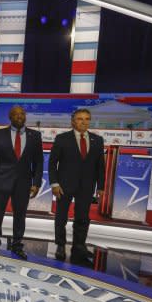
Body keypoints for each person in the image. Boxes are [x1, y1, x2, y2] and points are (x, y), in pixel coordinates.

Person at [0, 105, 44, 260]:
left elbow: (38, 162)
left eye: (22, 114)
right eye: (16, 114)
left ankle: (17, 246)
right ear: (10, 117)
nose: (20, 116)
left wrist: (36, 183)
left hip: (23, 183)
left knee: (20, 216)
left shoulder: (35, 136)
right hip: (1, 181)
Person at [49, 108, 105, 264]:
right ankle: (60, 245)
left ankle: (79, 246)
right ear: (73, 121)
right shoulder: (62, 139)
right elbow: (52, 163)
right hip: (64, 185)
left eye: (87, 119)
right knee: (61, 217)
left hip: (86, 186)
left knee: (83, 218)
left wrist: (100, 186)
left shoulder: (97, 140)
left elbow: (100, 166)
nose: (84, 122)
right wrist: (54, 183)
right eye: (80, 119)